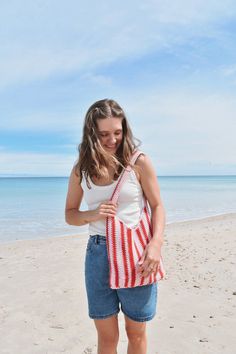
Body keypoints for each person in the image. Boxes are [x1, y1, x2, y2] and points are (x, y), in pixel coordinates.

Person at [65, 98, 166, 354]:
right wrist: (92, 214)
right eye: (104, 134)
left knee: (136, 333)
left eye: (118, 132)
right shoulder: (81, 170)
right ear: (91, 134)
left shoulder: (138, 162)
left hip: (136, 254)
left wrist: (155, 245)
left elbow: (157, 206)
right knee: (107, 336)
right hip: (98, 254)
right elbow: (70, 215)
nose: (112, 140)